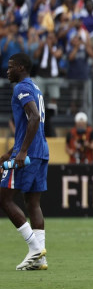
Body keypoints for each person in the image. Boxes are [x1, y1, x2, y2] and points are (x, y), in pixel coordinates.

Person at [0, 53, 49, 270]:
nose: (7, 70)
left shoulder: (21, 88)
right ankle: (41, 259)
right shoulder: (34, 87)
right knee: (32, 203)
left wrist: (21, 152)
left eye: (10, 67)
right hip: (40, 152)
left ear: (21, 67)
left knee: (4, 197)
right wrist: (10, 153)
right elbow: (27, 126)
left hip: (29, 154)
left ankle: (34, 248)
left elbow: (35, 118)